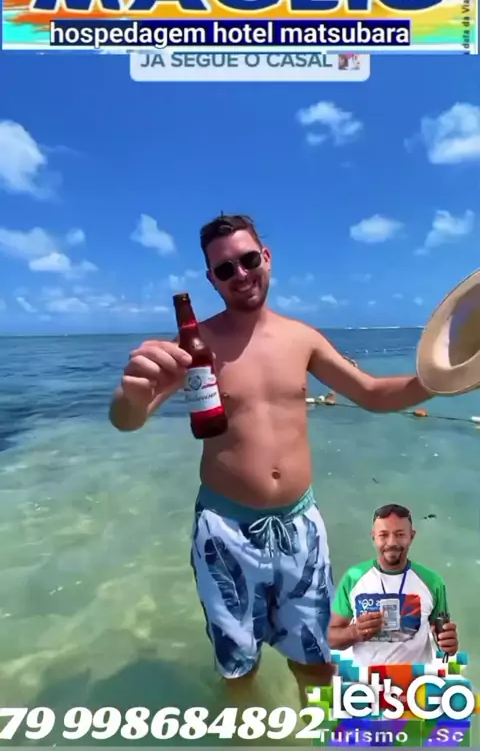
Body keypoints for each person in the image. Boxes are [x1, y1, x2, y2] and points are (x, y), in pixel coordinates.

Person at [109, 213, 438, 703]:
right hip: (225, 531)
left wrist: (440, 381)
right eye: (225, 269)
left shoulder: (301, 338)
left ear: (266, 258)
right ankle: (252, 733)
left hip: (299, 527)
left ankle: (314, 731)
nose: (240, 274)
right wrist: (131, 396)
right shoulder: (195, 345)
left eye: (248, 260)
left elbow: (370, 392)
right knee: (238, 669)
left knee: (316, 659)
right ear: (211, 279)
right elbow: (128, 420)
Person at [327, 503, 458, 665]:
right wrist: (355, 632)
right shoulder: (353, 578)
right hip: (368, 679)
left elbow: (442, 638)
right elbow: (330, 638)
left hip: (415, 678)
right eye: (383, 535)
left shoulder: (432, 581)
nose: (392, 542)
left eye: (400, 534)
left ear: (412, 536)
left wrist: (448, 644)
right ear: (373, 537)